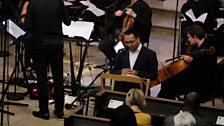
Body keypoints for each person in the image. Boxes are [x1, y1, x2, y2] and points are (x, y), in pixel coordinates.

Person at [24, 0, 71, 119]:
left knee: (41, 78)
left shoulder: (33, 3)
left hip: (40, 45)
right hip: (57, 44)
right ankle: (60, 111)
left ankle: (44, 111)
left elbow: (28, 27)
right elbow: (68, 22)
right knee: (58, 78)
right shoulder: (58, 2)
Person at [158, 24, 217, 102]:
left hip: (200, 84)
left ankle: (164, 104)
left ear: (195, 37)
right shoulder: (201, 46)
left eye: (189, 37)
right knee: (169, 80)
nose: (188, 40)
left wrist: (192, 61)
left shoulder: (207, 49)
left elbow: (202, 69)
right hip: (195, 78)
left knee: (168, 82)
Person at [111, 28, 158, 92]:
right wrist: (121, 72)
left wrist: (137, 73)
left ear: (138, 39)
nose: (129, 45)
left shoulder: (150, 54)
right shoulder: (121, 52)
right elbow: (113, 71)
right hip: (122, 90)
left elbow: (154, 75)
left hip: (139, 92)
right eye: (126, 42)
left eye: (131, 42)